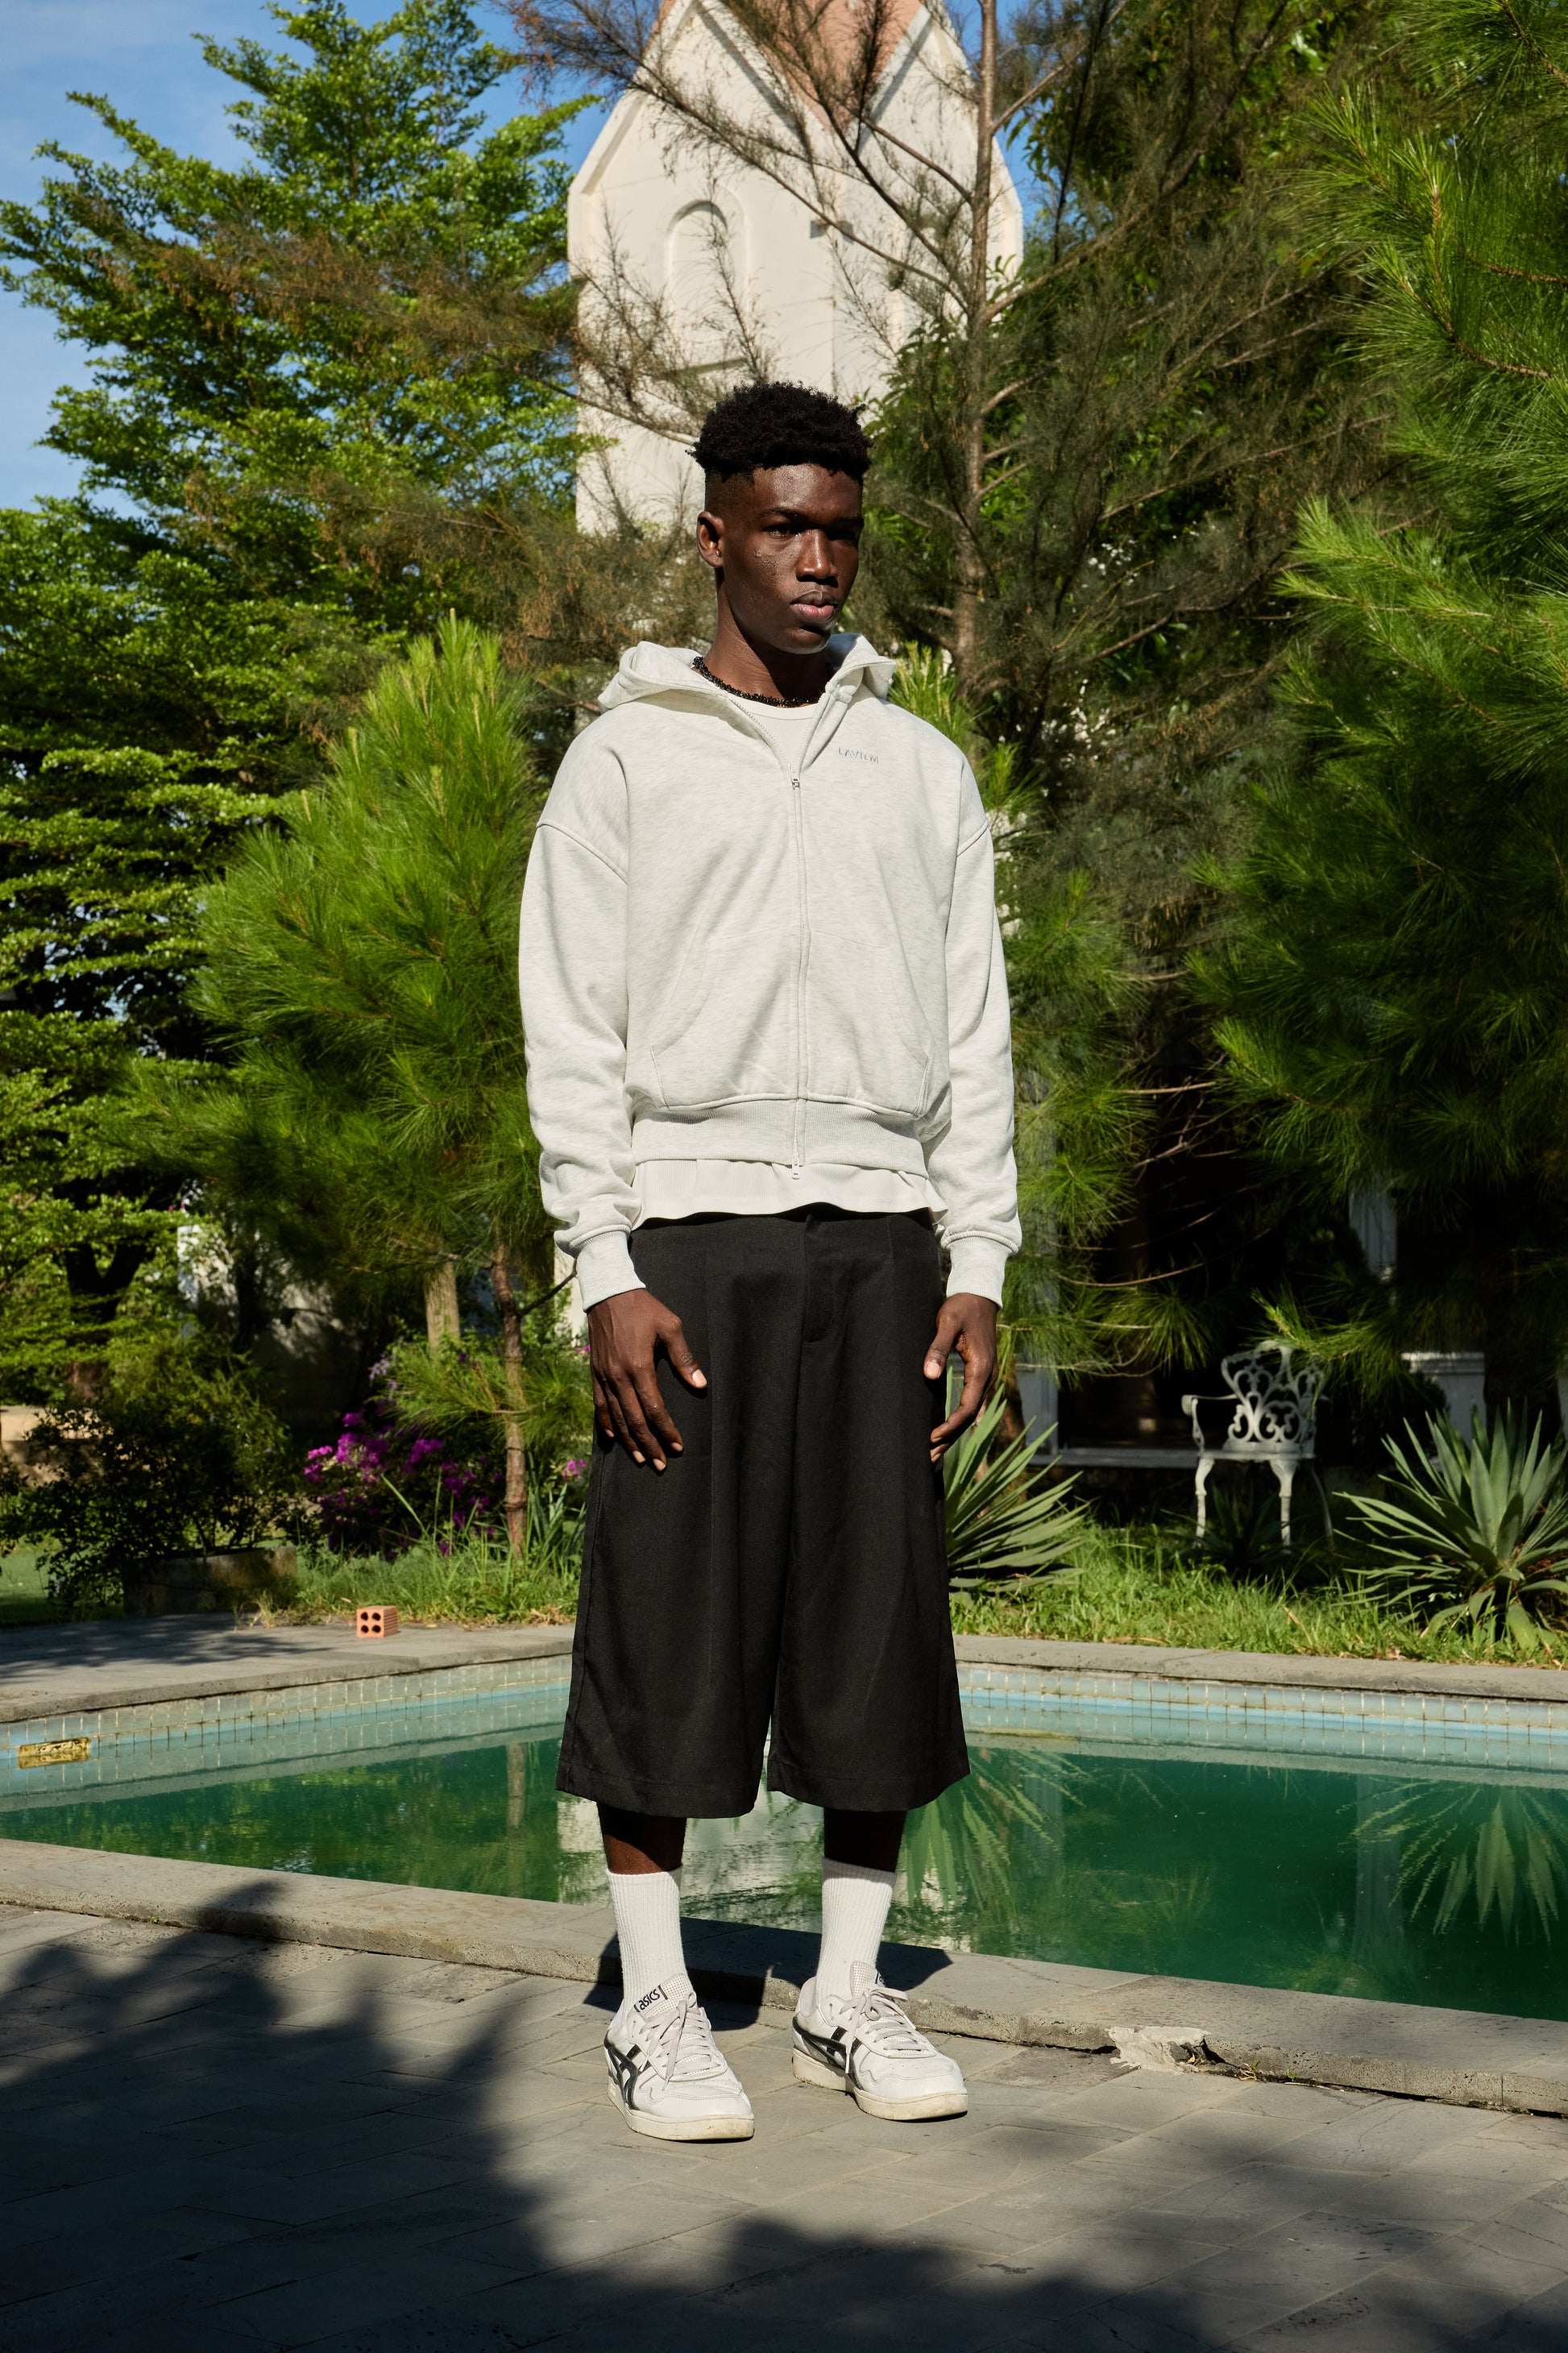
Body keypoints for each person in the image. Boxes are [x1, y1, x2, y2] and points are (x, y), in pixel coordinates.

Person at [519, 380, 1020, 2143]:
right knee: (669, 1618)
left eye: (844, 531)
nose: (820, 562)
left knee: (874, 1621)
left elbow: (974, 1030)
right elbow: (571, 1028)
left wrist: (979, 1253)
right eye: (788, 527)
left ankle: (844, 1987)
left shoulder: (921, 767)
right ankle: (657, 2000)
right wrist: (602, 1259)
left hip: (884, 1239)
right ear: (714, 533)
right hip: (689, 1246)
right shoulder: (626, 756)